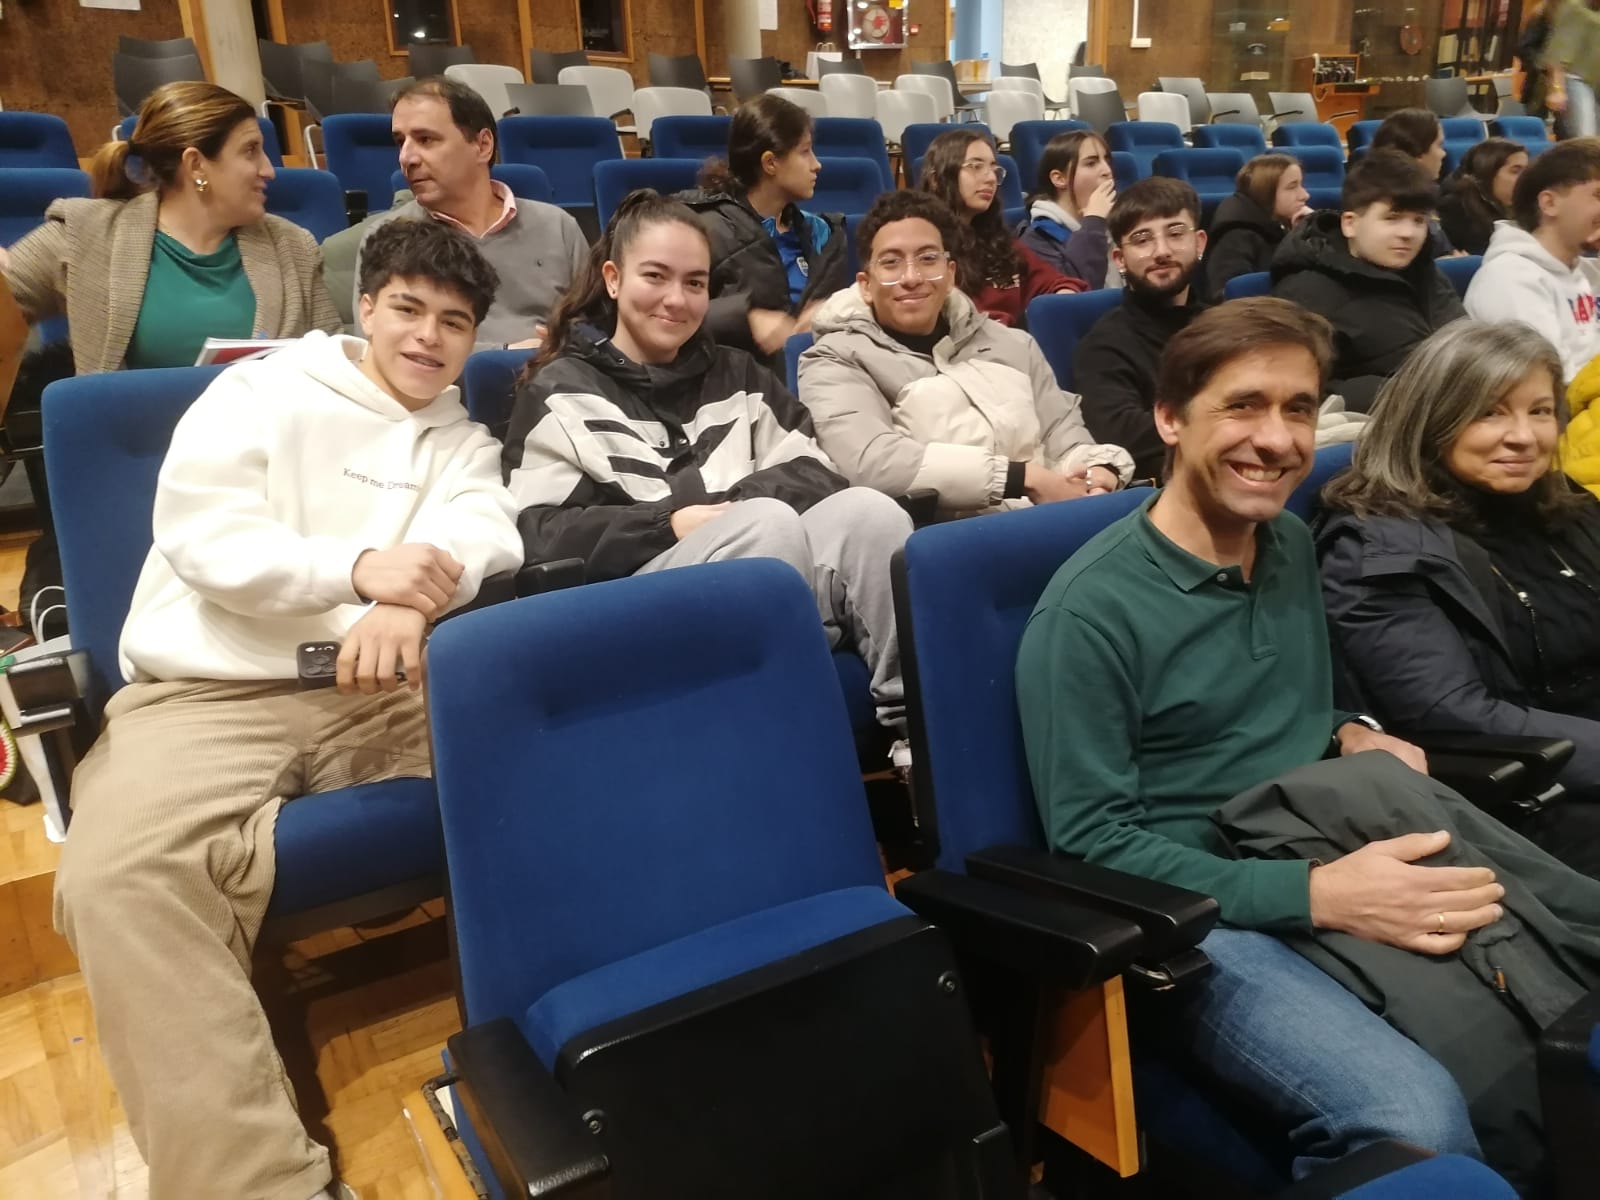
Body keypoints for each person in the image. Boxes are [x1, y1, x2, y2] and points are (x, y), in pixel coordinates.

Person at [1017, 297, 1563, 1192]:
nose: (1276, 439)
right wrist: (1315, 896)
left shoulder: (1290, 542)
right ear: (1169, 418)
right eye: (1243, 405)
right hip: (1203, 918)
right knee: (1417, 1121)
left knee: (1560, 1003)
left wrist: (1349, 730)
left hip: (1320, 839)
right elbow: (1090, 842)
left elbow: (1286, 708)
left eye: (1299, 409)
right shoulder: (1087, 614)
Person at [50, 218, 524, 1200]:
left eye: (453, 322)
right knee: (114, 875)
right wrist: (358, 570)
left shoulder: (460, 439)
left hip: (383, 687)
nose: (428, 338)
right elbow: (205, 537)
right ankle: (257, 1183)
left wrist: (408, 600)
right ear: (365, 306)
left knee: (563, 773)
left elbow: (484, 531)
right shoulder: (260, 393)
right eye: (408, 310)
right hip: (209, 691)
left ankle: (580, 1059)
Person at [502, 190, 910, 729]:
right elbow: (539, 534)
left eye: (694, 283)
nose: (676, 299)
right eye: (656, 276)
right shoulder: (560, 390)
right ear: (613, 279)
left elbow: (816, 471)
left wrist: (729, 510)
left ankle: (915, 735)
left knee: (870, 513)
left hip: (761, 571)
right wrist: (668, 524)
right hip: (630, 601)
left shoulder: (739, 373)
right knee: (765, 527)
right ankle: (786, 746)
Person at [1317, 320, 1600, 880]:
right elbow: (1456, 715)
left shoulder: (1562, 504)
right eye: (1491, 413)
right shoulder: (1377, 547)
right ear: (1433, 419)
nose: (1523, 436)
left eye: (1540, 411)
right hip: (1524, 798)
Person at [797, 190, 1132, 517]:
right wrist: (1024, 478)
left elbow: (1061, 430)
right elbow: (872, 462)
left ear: (950, 275)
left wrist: (1094, 469)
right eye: (891, 263)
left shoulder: (1013, 343)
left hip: (1052, 517)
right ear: (866, 285)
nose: (911, 277)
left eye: (928, 259)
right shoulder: (832, 359)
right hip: (951, 536)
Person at [1, 80, 339, 373]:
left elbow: (337, 366)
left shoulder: (293, 246)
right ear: (196, 165)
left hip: (266, 429)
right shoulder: (83, 234)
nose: (269, 170)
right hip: (133, 430)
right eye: (250, 151)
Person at [355, 75, 587, 350]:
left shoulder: (557, 227)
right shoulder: (389, 238)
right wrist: (501, 357)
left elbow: (599, 330)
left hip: (556, 372)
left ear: (483, 145)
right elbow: (376, 347)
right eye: (400, 142)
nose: (406, 158)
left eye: (425, 139)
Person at [1271, 150, 1465, 413]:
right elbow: (1299, 390)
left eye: (1419, 220)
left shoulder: (1426, 273)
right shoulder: (1306, 291)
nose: (1408, 233)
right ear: (1350, 224)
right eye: (1392, 218)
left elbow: (1468, 345)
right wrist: (1401, 395)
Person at [680, 93, 852, 375]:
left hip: (816, 376)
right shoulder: (701, 229)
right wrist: (745, 318)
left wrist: (834, 309)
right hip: (729, 380)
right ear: (770, 163)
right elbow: (666, 310)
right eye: (805, 152)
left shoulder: (823, 234)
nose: (816, 164)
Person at [1074, 177, 1209, 480]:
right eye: (1142, 240)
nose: (1162, 251)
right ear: (1119, 259)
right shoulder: (1103, 347)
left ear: (1199, 243)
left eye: (1175, 233)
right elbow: (1125, 435)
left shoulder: (1227, 326)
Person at [1464, 137, 1600, 384]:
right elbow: (1549, 385)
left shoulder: (1578, 271)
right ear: (1549, 203)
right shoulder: (1510, 278)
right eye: (1598, 195)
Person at [918, 128, 1083, 326]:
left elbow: (1055, 282)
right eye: (975, 166)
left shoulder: (999, 240)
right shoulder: (921, 247)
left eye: (994, 170)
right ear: (936, 179)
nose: (990, 178)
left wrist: (1063, 297)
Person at [1200, 152, 1314, 303]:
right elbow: (1231, 298)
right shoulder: (1235, 236)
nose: (1305, 195)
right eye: (1292, 187)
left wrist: (1308, 232)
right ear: (1265, 192)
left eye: (1301, 185)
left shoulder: (1284, 225)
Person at [1015, 128, 1120, 288]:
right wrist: (1094, 221)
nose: (1107, 171)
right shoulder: (1036, 240)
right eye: (1091, 163)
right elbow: (1079, 292)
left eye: (1107, 161)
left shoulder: (1118, 224)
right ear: (1059, 178)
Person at [1370, 108, 1456, 255]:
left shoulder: (1429, 191)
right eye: (1439, 145)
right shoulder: (1386, 198)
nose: (1443, 154)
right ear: (1418, 152)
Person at [1438, 137, 1529, 256]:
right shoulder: (1457, 208)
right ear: (1488, 172)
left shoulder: (1528, 205)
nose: (1525, 178)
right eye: (1515, 171)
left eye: (1526, 171)